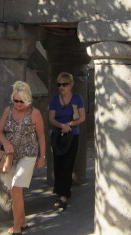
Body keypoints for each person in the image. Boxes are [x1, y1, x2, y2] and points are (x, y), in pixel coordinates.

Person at [0, 81, 46, 234]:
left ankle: (17, 227)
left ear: (28, 100)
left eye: (22, 101)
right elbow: (0, 132)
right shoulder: (8, 111)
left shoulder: (35, 113)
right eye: (16, 100)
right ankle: (23, 221)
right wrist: (5, 143)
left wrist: (42, 156)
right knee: (15, 191)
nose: (19, 104)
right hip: (11, 156)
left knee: (16, 188)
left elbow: (41, 136)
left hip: (28, 154)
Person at [48, 72, 86, 210]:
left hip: (72, 134)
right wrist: (61, 126)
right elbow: (51, 118)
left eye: (64, 84)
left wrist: (69, 125)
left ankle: (64, 195)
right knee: (58, 164)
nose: (61, 87)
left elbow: (82, 117)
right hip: (58, 134)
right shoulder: (54, 100)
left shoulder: (77, 98)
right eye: (59, 84)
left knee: (68, 164)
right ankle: (59, 191)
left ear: (71, 85)